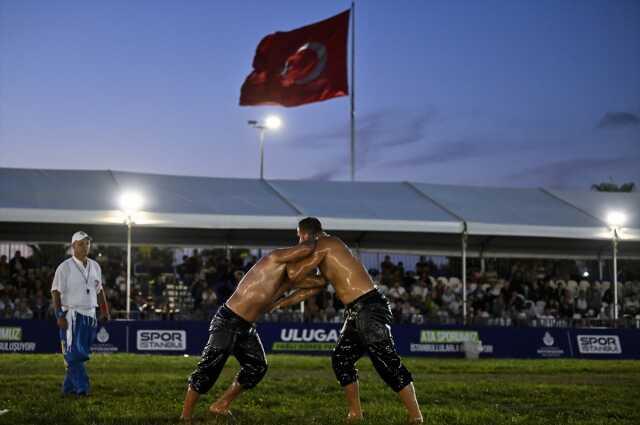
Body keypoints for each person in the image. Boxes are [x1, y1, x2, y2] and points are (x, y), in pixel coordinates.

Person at [272, 217, 423, 424]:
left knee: (387, 363)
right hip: (356, 311)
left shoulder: (326, 243)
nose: (299, 240)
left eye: (299, 236)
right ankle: (355, 414)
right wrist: (279, 303)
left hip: (369, 307)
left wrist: (282, 261)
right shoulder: (326, 253)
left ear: (306, 234)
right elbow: (310, 287)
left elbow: (295, 275)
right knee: (341, 359)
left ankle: (416, 417)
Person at [180, 240, 325, 422]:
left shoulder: (289, 281)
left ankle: (220, 405)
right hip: (228, 319)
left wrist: (324, 268)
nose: (307, 270)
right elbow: (308, 248)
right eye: (306, 266)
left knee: (257, 367)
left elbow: (319, 283)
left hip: (246, 327)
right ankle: (185, 416)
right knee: (209, 368)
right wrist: (322, 243)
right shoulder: (275, 259)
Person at [51, 231, 110, 396]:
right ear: (73, 246)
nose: (85, 247)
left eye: (87, 243)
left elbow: (100, 290)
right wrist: (59, 315)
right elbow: (55, 292)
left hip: (90, 315)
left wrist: (104, 309)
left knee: (80, 353)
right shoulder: (65, 267)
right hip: (71, 314)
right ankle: (82, 387)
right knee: (72, 353)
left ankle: (68, 388)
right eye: (81, 244)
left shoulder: (95, 266)